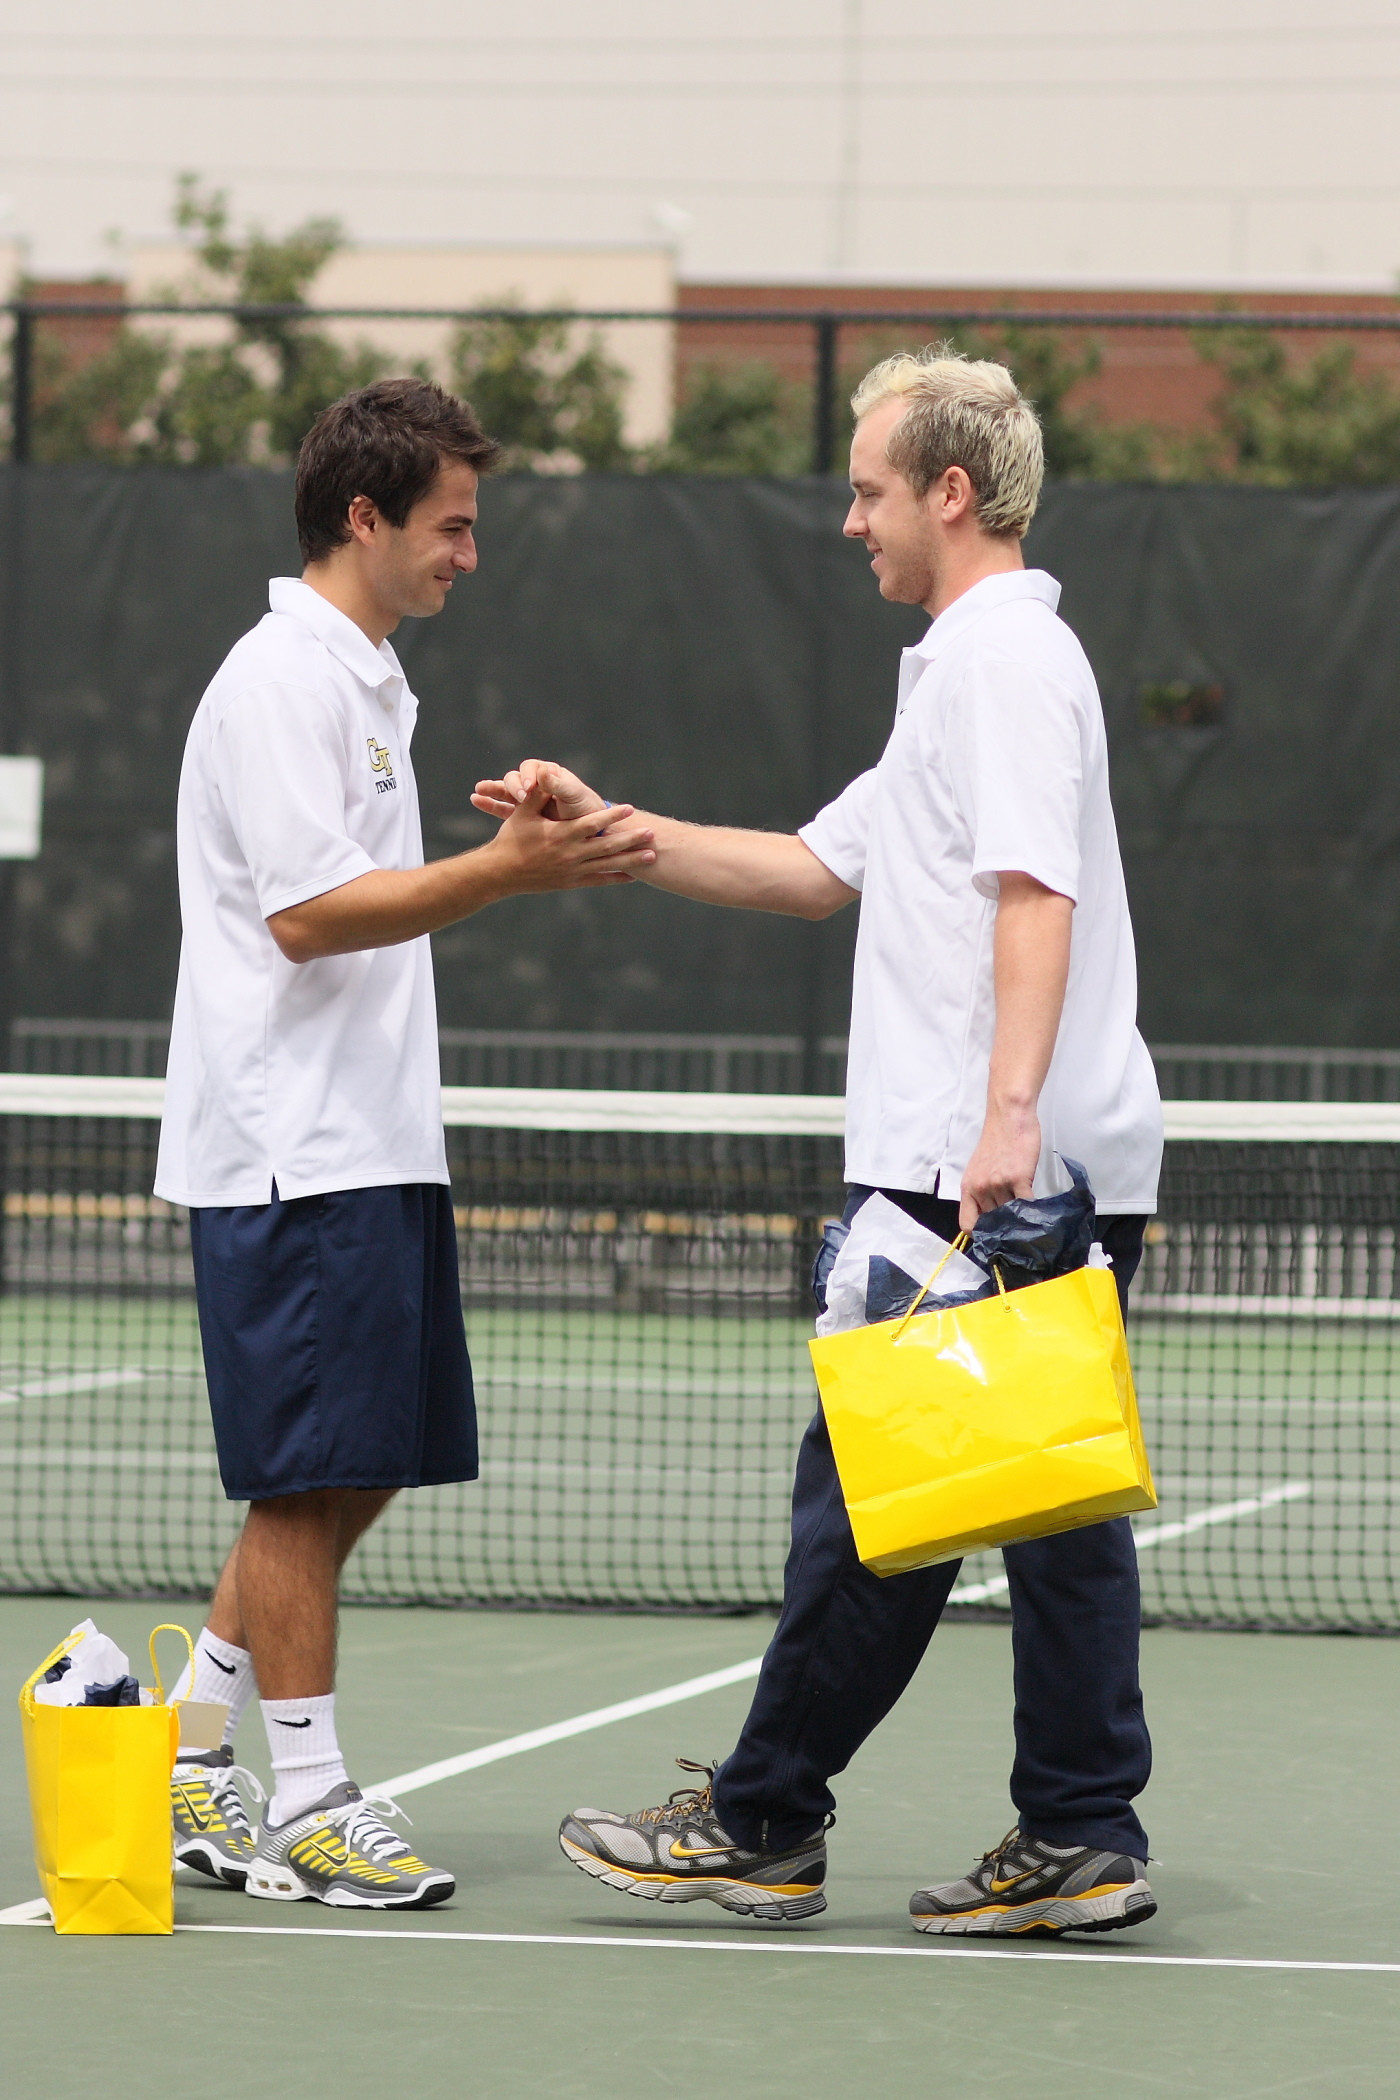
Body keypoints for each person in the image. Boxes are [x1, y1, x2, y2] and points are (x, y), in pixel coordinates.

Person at [472, 348, 1164, 1938]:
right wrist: (609, 835)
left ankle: (765, 1819)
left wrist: (1002, 1123)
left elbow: (1036, 895)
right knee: (1045, 1516)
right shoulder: (964, 670)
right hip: (1020, 1164)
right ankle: (1073, 1832)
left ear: (951, 493)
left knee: (869, 1504)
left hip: (975, 1171)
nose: (847, 519)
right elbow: (809, 866)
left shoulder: (998, 665)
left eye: (866, 490)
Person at [155, 378, 655, 1910]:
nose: (469, 555)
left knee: (352, 1471)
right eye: (451, 525)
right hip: (289, 1152)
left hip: (374, 1144)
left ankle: (185, 1754)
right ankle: (306, 1801)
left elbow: (360, 888)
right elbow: (304, 917)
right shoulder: (276, 680)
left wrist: (500, 849)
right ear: (363, 518)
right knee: (309, 1485)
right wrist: (502, 872)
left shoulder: (367, 677)